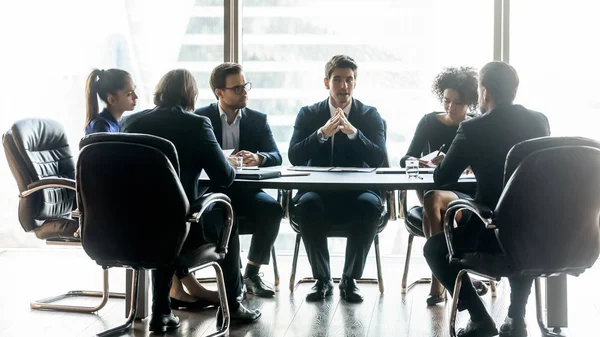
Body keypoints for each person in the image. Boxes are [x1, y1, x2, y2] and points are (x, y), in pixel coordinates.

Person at [121, 69, 261, 332]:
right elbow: (224, 177)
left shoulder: (130, 122)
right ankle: (232, 303)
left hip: (133, 227)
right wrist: (224, 159)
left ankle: (161, 311)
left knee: (161, 219)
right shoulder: (196, 124)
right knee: (225, 217)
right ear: (191, 95)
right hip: (182, 229)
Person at [423, 61, 551, 337]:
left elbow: (442, 179)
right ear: (514, 90)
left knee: (434, 249)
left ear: (484, 92)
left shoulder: (473, 129)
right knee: (520, 234)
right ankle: (516, 318)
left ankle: (479, 318)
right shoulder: (539, 121)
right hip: (537, 232)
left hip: (490, 234)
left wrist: (448, 158)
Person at [288, 55, 386, 303]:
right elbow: (294, 156)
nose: (344, 86)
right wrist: (321, 133)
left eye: (349, 80)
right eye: (338, 80)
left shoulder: (370, 115)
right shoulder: (308, 114)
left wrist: (354, 134)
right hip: (318, 193)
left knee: (370, 205)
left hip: (359, 193)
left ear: (355, 82)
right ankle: (322, 279)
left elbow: (379, 159)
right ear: (326, 82)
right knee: (307, 204)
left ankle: (350, 279)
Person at [195, 62, 283, 298]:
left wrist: (259, 157)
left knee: (273, 210)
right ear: (219, 93)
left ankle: (252, 273)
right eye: (237, 88)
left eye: (245, 86)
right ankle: (228, 278)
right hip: (211, 193)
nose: (244, 92)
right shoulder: (200, 118)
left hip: (246, 192)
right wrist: (222, 162)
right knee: (215, 217)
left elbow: (276, 156)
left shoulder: (257, 119)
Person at [400, 67, 482, 305]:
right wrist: (423, 161)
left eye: (458, 102)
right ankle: (458, 278)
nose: (451, 107)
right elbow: (406, 159)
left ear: (469, 103)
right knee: (440, 209)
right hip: (434, 190)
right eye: (446, 101)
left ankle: (440, 280)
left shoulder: (476, 125)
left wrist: (469, 166)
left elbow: (485, 163)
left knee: (445, 212)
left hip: (466, 195)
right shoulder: (429, 122)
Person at [84, 68, 137, 135]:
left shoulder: (118, 123)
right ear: (111, 100)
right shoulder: (101, 126)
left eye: (134, 91)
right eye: (129, 94)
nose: (136, 97)